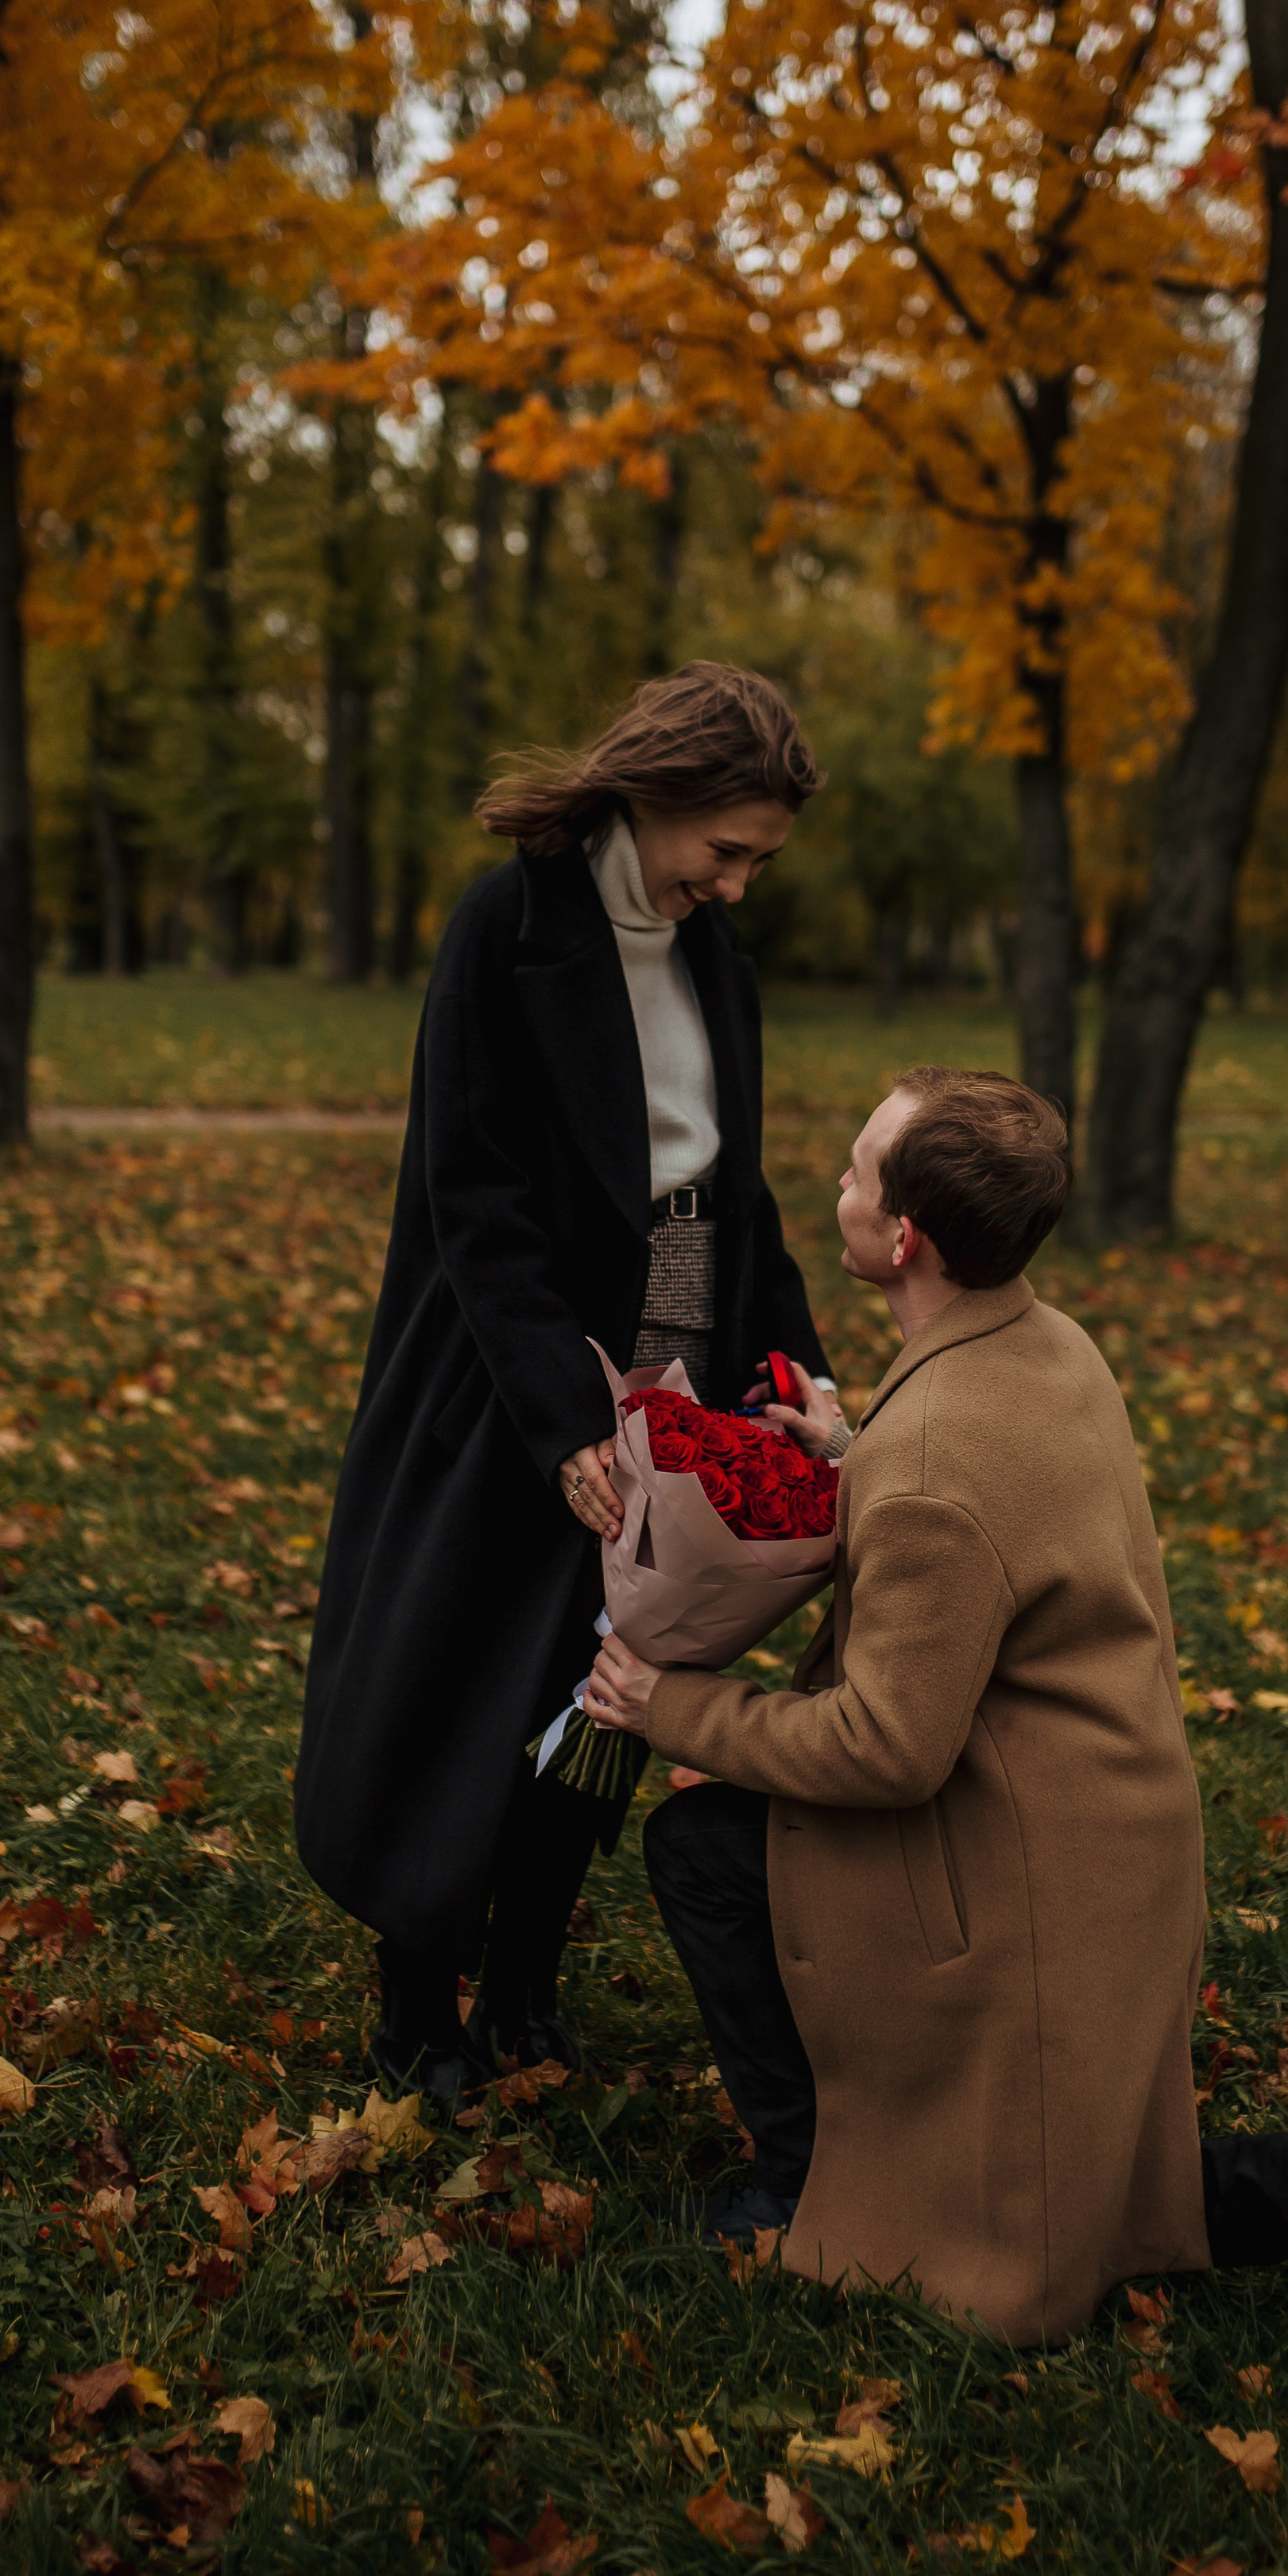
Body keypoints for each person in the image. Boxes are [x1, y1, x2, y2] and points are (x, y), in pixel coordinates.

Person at [582, 1067, 1288, 2361]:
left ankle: (809, 2186)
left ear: (903, 1239)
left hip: (1022, 1871)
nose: (833, 1184)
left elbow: (888, 1746)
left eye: (854, 1170)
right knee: (1084, 2176)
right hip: (1107, 1832)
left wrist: (672, 1702)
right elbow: (976, 1493)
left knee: (706, 1851)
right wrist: (850, 1451)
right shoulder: (1043, 1341)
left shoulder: (937, 1465)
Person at [295, 664, 838, 2115]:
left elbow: (736, 1193)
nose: (734, 883)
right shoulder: (505, 927)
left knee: (610, 1683)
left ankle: (527, 1977)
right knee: (467, 1680)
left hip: (674, 1356)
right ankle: (418, 2001)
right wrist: (560, 1426)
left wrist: (797, 1372)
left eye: (757, 861)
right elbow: (473, 1199)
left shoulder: (715, 956)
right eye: (723, 849)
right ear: (653, 793)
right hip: (505, 1369)